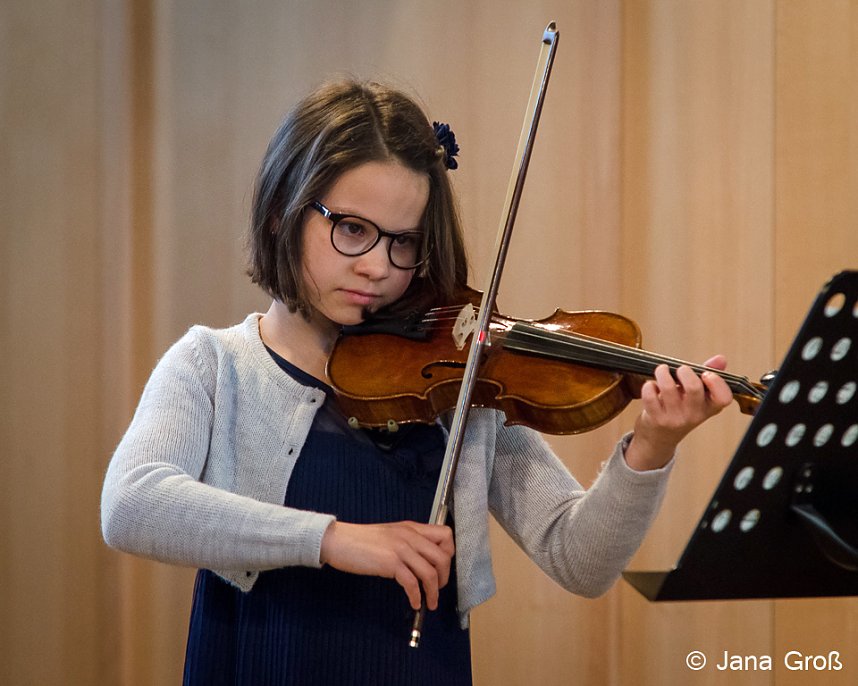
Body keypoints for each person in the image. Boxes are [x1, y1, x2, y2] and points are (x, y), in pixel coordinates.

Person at [101, 79, 733, 685]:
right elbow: (132, 505)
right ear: (280, 215)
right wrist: (334, 540)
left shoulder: (455, 385)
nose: (378, 266)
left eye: (403, 242)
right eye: (352, 229)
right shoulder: (214, 367)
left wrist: (652, 447)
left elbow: (579, 558)